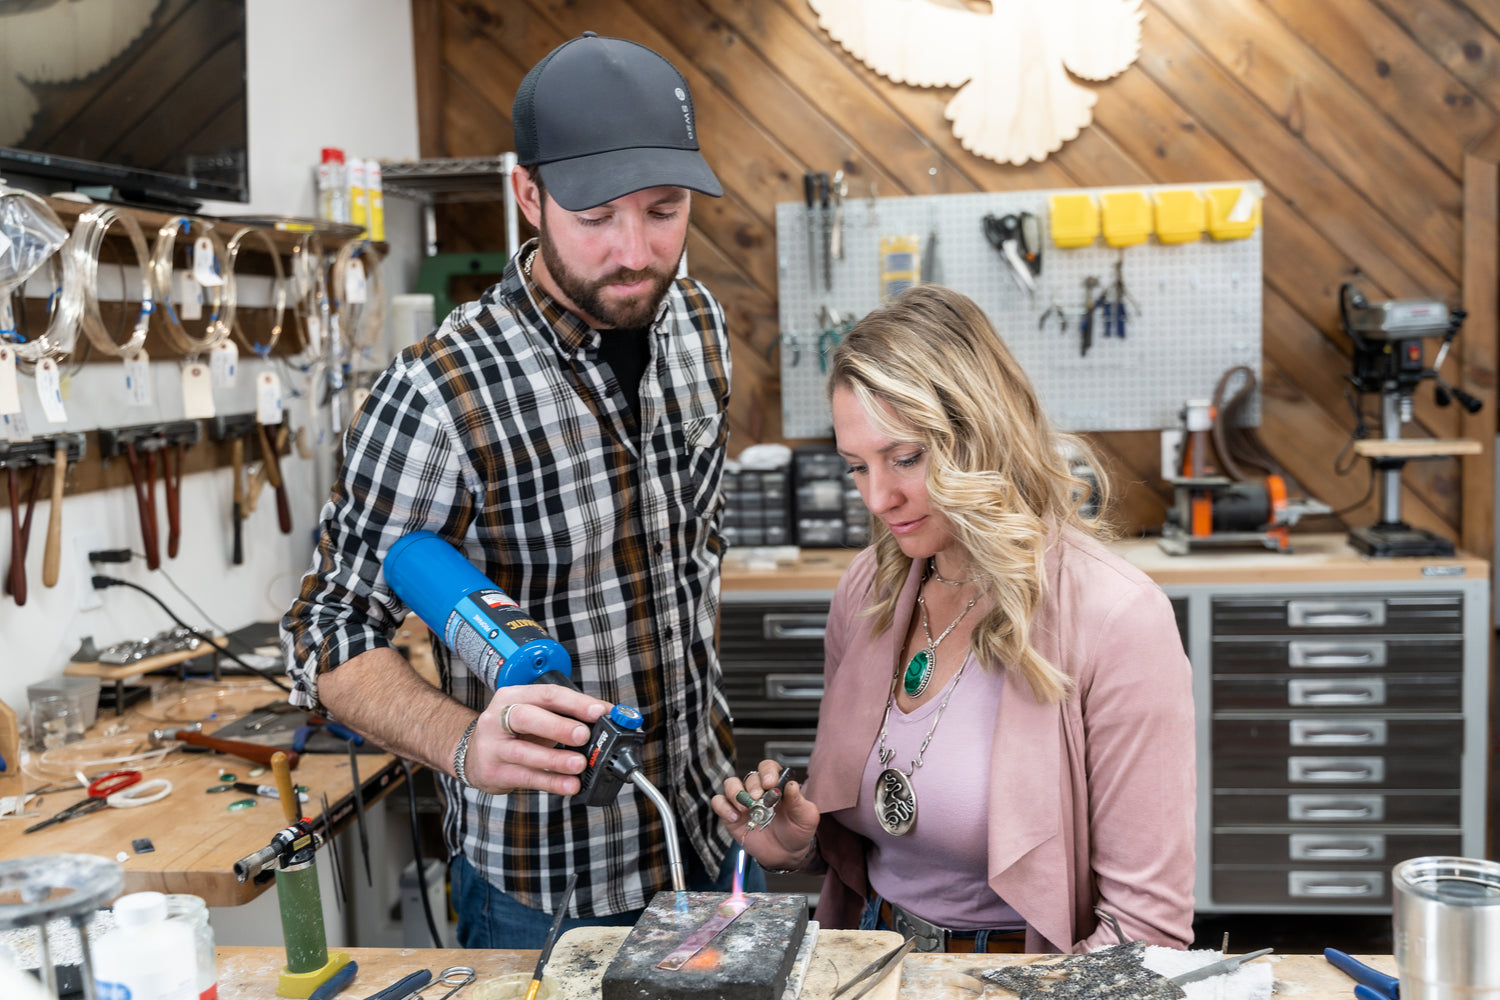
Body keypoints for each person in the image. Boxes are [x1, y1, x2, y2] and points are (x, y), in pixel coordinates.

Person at [282, 32, 760, 949]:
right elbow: (327, 635)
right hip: (544, 888)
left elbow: (689, 561)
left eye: (664, 211)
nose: (636, 250)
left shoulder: (696, 324)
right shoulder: (438, 393)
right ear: (530, 196)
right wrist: (463, 744)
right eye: (596, 216)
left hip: (700, 834)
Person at [713, 285, 1195, 954]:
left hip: (1022, 980)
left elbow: (1146, 933)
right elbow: (881, 839)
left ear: (983, 433)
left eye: (906, 458)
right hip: (869, 959)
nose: (879, 497)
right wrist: (798, 846)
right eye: (857, 467)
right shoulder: (869, 590)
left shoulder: (1115, 615)